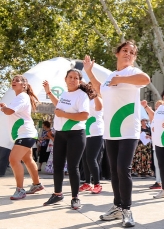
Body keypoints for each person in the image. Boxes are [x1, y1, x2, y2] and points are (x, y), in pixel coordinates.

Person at [84, 40, 150, 227]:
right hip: (111, 129)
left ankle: (127, 209)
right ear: (117, 53)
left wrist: (120, 79)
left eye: (132, 52)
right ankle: (117, 206)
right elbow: (101, 90)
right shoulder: (109, 76)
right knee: (114, 171)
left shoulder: (132, 72)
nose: (128, 54)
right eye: (125, 50)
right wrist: (89, 71)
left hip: (129, 128)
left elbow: (146, 80)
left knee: (123, 168)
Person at [42, 70, 91, 209]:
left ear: (80, 81)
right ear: (65, 79)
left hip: (75, 134)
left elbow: (84, 116)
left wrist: (63, 114)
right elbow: (59, 106)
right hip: (60, 134)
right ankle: (57, 194)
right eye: (70, 77)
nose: (73, 80)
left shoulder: (82, 95)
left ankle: (75, 198)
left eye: (76, 78)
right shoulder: (64, 93)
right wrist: (49, 92)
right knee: (57, 165)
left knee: (72, 166)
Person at [0, 75, 44, 199]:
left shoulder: (22, 97)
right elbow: (10, 110)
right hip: (25, 134)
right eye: (13, 80)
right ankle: (37, 184)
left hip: (25, 134)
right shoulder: (19, 98)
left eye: (17, 81)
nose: (14, 82)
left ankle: (20, 190)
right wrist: (5, 107)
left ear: (24, 85)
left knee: (13, 160)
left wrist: (4, 108)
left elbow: (9, 111)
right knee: (28, 160)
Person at [79, 87, 104, 194]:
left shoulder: (97, 99)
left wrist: (95, 94)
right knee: (84, 159)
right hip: (86, 132)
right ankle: (87, 182)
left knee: (91, 159)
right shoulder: (85, 100)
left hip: (96, 132)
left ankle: (97, 184)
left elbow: (99, 107)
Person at [142, 100, 163, 190]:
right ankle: (158, 181)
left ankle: (163, 182)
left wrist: (146, 107)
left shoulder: (162, 116)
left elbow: (154, 114)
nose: (157, 107)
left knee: (163, 165)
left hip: (163, 144)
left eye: (159, 106)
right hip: (155, 144)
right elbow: (152, 116)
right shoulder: (153, 120)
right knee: (157, 165)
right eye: (156, 106)